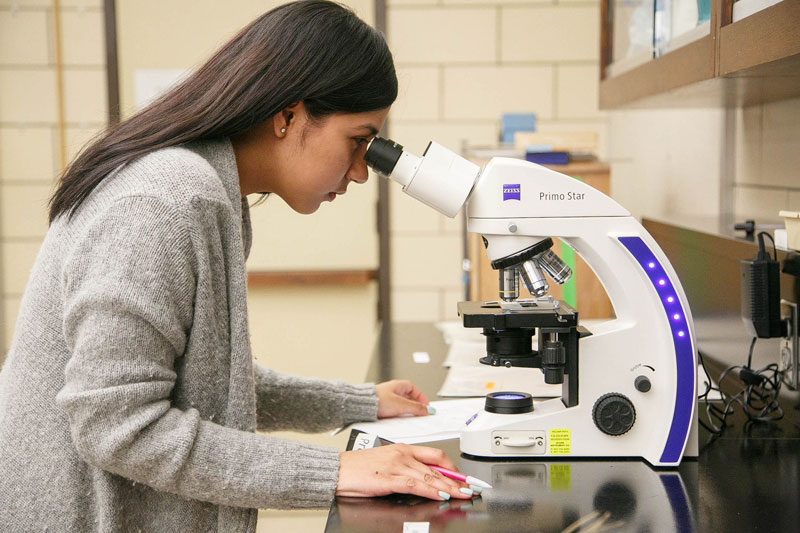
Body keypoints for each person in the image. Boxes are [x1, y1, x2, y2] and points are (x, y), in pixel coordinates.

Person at [0, 2, 471, 531]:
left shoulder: (206, 191)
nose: (363, 171)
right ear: (289, 116)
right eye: (358, 141)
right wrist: (334, 470)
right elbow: (119, 425)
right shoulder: (166, 201)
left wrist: (355, 402)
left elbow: (205, 386)